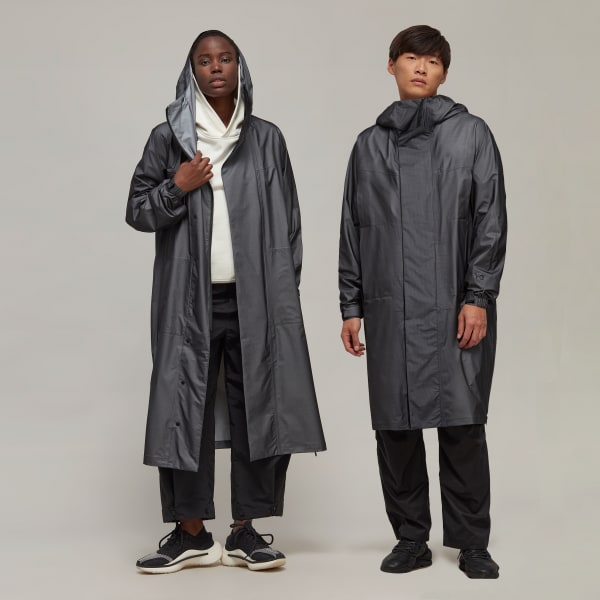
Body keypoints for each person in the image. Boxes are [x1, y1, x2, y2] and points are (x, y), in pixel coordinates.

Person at [127, 30, 325, 574]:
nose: (216, 67)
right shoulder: (168, 139)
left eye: (226, 58)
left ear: (240, 67)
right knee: (182, 410)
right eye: (204, 60)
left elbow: (289, 224)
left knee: (260, 407)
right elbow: (138, 211)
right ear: (190, 71)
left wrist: (282, 293)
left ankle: (245, 531)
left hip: (257, 300)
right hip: (187, 301)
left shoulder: (266, 139)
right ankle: (190, 533)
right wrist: (178, 184)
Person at [338, 25, 507, 579]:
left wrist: (478, 295)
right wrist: (351, 305)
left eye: (432, 61)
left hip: (454, 305)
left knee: (462, 424)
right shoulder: (368, 145)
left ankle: (472, 544)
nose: (420, 68)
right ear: (391, 66)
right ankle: (411, 539)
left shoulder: (472, 135)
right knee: (395, 428)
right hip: (390, 308)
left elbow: (490, 219)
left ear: (444, 73)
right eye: (410, 58)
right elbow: (353, 229)